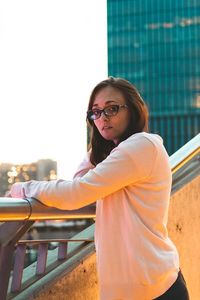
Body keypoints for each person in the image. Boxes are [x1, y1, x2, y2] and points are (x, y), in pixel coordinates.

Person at [10, 77, 189, 300]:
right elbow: (82, 180)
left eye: (111, 109)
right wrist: (98, 146)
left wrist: (23, 188)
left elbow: (76, 193)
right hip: (134, 289)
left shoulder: (142, 145)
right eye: (95, 112)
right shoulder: (121, 153)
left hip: (155, 290)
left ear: (132, 109)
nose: (102, 118)